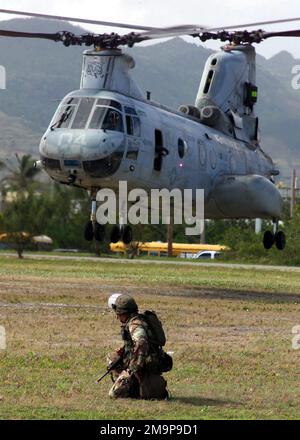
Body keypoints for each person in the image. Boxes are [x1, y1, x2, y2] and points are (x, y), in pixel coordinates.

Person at [107, 293, 169, 400]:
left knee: (113, 394)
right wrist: (124, 350)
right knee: (113, 358)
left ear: (124, 313)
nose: (118, 317)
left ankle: (134, 387)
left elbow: (142, 342)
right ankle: (135, 385)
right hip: (149, 361)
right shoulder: (139, 320)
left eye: (119, 314)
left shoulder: (134, 324)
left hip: (144, 365)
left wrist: (133, 369)